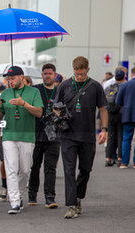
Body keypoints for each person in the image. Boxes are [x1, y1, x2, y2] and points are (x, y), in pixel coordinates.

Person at [54, 56, 108, 219]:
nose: (79, 77)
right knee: (69, 170)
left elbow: (103, 109)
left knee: (85, 169)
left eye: (82, 74)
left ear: (88, 70)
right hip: (68, 135)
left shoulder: (95, 87)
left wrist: (104, 129)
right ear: (73, 70)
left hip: (87, 135)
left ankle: (78, 197)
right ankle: (71, 205)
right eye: (77, 74)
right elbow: (55, 107)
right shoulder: (64, 86)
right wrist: (61, 115)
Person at [0, 66, 43, 214]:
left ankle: (20, 195)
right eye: (8, 79)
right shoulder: (4, 93)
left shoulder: (34, 92)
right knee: (11, 169)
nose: (10, 82)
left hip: (27, 136)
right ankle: (14, 201)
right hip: (8, 136)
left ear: (21, 77)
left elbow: (39, 112)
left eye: (13, 78)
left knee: (25, 170)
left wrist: (24, 104)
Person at [28, 63, 60, 209]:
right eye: (45, 73)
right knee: (34, 167)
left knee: (50, 167)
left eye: (50, 73)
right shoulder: (35, 90)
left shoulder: (60, 91)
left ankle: (50, 197)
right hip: (36, 134)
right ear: (42, 75)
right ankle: (32, 194)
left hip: (54, 136)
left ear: (55, 75)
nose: (47, 76)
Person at [105, 68, 127, 167]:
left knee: (110, 136)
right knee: (121, 136)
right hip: (121, 114)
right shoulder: (125, 87)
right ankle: (119, 159)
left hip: (110, 114)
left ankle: (108, 158)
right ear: (124, 76)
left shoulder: (109, 87)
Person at [116, 67, 135, 169]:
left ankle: (124, 162)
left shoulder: (125, 85)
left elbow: (118, 101)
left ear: (131, 74)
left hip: (128, 114)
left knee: (126, 138)